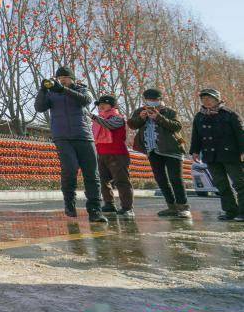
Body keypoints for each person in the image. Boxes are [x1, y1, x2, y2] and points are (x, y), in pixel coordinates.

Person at [34, 67, 106, 222]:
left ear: (72, 79)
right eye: (59, 78)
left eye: (65, 78)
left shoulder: (82, 90)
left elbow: (85, 101)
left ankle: (95, 210)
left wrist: (64, 90)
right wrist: (42, 90)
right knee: (70, 169)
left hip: (84, 137)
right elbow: (39, 108)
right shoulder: (51, 93)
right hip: (62, 137)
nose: (61, 80)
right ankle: (69, 203)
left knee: (92, 174)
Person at [129, 88, 189, 218]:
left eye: (154, 100)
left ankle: (183, 207)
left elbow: (177, 126)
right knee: (160, 179)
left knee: (176, 179)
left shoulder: (169, 111)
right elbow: (132, 125)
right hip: (152, 149)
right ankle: (172, 206)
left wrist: (158, 117)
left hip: (171, 150)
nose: (152, 102)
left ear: (160, 100)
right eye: (149, 100)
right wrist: (141, 118)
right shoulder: (140, 111)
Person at [189, 88, 244, 221]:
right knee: (221, 185)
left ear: (217, 99)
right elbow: (196, 136)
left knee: (240, 184)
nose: (206, 101)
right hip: (210, 156)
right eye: (203, 98)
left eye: (210, 98)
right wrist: (195, 151)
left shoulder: (230, 114)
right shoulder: (199, 116)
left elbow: (241, 134)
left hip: (231, 155)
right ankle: (230, 211)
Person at [91, 94, 132, 216]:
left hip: (117, 154)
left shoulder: (117, 117)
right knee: (103, 180)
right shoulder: (98, 120)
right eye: (99, 105)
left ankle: (127, 207)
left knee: (122, 181)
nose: (101, 106)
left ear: (112, 105)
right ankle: (109, 204)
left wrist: (92, 117)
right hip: (102, 153)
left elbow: (109, 125)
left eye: (104, 104)